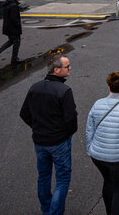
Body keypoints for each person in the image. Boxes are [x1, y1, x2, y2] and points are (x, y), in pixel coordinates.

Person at [19, 54, 78, 215]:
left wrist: (37, 127)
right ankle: (55, 212)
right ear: (57, 70)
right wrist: (66, 133)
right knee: (62, 178)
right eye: (67, 66)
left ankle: (46, 208)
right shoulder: (64, 91)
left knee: (43, 176)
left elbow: (24, 113)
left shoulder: (35, 87)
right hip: (59, 141)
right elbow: (71, 119)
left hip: (39, 141)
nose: (70, 68)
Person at [85, 71, 119, 215]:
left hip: (98, 155)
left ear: (108, 87)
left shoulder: (97, 104)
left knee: (108, 181)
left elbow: (89, 129)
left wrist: (89, 150)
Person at [0, 0, 22, 66]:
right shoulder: (13, 6)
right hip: (13, 28)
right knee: (17, 42)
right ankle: (14, 60)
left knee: (11, 41)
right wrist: (18, 26)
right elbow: (14, 18)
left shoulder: (8, 3)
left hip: (8, 27)